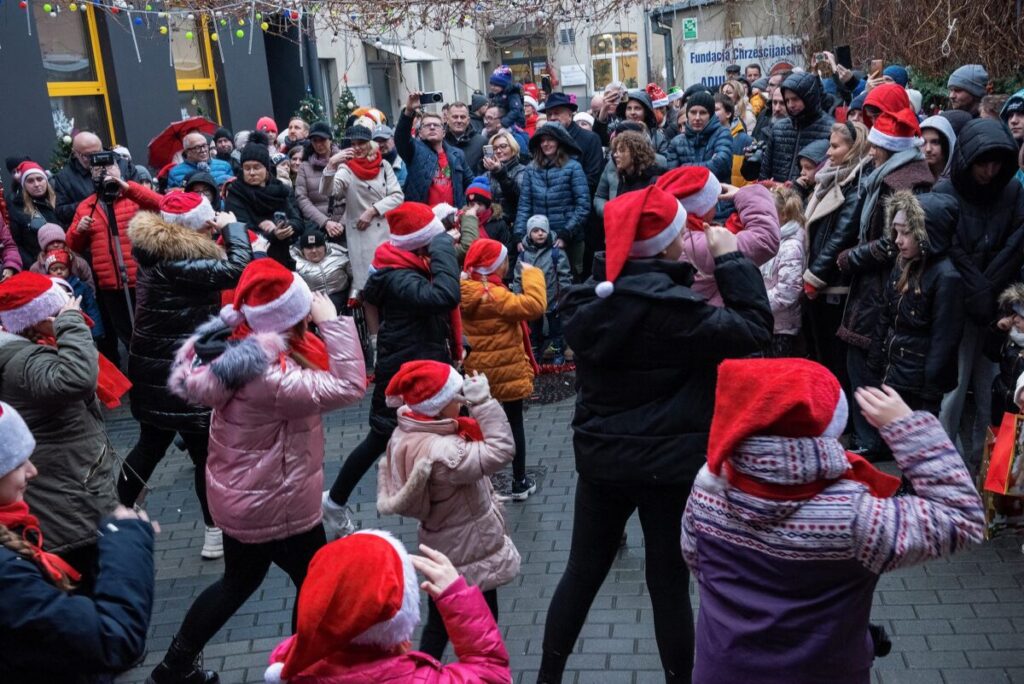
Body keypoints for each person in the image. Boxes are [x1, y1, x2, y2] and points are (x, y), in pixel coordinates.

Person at [537, 182, 773, 684]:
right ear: (668, 244)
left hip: (602, 463)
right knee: (668, 584)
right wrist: (731, 261)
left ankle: (547, 677)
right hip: (670, 468)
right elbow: (754, 328)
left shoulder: (588, 303)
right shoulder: (678, 314)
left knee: (581, 573)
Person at [681, 360, 984, 684]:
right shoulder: (854, 516)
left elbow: (695, 558)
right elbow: (961, 518)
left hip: (724, 670)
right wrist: (909, 429)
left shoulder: (708, 490)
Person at [148, 258, 366, 684]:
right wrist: (334, 322)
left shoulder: (237, 347)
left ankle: (174, 666)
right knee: (315, 583)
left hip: (243, 496)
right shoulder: (271, 377)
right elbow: (349, 385)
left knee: (238, 581)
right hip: (274, 503)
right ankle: (299, 668)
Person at [119, 193, 252, 560]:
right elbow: (238, 269)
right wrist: (233, 228)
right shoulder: (180, 260)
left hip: (154, 365)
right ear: (199, 225)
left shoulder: (154, 252)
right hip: (182, 368)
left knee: (151, 445)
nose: (214, 225)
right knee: (201, 451)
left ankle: (118, 515)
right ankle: (213, 531)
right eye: (209, 220)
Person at [323, 203, 461, 539]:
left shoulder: (397, 261)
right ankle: (335, 501)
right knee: (383, 435)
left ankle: (448, 501)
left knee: (438, 430)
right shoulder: (399, 275)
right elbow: (445, 295)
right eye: (433, 241)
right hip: (404, 366)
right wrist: (444, 248)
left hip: (419, 356)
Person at [0, 401, 156, 683]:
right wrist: (127, 540)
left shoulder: (15, 538)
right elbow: (112, 639)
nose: (32, 471)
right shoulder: (7, 575)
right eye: (17, 462)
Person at [377, 362, 520, 658]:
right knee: (484, 624)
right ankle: (484, 674)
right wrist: (483, 402)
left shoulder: (407, 432)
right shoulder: (445, 452)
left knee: (439, 625)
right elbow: (502, 450)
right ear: (439, 407)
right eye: (458, 397)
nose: (463, 402)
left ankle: (421, 673)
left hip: (441, 542)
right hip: (470, 550)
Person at [0, 273, 122, 591]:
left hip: (66, 489)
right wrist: (69, 322)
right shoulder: (23, 360)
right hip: (70, 500)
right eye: (53, 311)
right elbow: (77, 377)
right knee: (95, 590)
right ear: (37, 319)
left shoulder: (22, 353)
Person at [262, 532, 511, 682]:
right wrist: (457, 597)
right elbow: (491, 674)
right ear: (402, 611)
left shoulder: (295, 671)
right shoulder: (419, 679)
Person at [837, 90, 934, 459]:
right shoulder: (892, 174)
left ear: (888, 147)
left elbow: (892, 243)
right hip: (877, 285)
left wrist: (850, 257)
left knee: (865, 363)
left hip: (884, 286)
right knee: (863, 360)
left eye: (877, 146)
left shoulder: (901, 182)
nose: (871, 151)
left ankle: (873, 440)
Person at [935, 118, 1024, 464]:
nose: (990, 170)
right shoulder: (946, 194)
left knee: (993, 389)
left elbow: (1015, 243)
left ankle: (985, 464)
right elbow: (950, 247)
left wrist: (991, 293)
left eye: (996, 162)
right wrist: (980, 289)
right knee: (954, 390)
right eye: (982, 162)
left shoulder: (1012, 191)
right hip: (960, 305)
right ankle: (946, 464)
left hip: (998, 307)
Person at [459, 240, 546, 499]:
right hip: (506, 373)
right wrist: (531, 273)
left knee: (479, 425)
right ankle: (519, 481)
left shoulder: (464, 290)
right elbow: (534, 305)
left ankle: (478, 482)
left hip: (478, 373)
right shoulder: (495, 295)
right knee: (514, 423)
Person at [866, 192, 964, 413]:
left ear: (927, 234)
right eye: (896, 232)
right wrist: (875, 359)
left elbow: (945, 338)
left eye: (906, 233)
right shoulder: (903, 263)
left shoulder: (946, 277)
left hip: (919, 382)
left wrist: (931, 389)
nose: (898, 240)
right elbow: (886, 313)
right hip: (894, 371)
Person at [67, 167, 163, 360]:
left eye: (109, 167)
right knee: (126, 334)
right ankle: (137, 370)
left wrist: (127, 187)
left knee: (151, 330)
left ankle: (153, 366)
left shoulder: (133, 197)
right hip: (110, 284)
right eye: (97, 170)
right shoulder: (87, 206)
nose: (103, 173)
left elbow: (160, 204)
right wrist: (79, 230)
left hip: (140, 279)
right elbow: (72, 246)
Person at [322, 123, 405, 343]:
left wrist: (373, 210)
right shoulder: (345, 168)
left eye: (361, 143)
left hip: (385, 234)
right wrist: (331, 165)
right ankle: (376, 343)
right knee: (369, 293)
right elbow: (330, 191)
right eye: (353, 144)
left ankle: (397, 336)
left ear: (370, 144)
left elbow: (397, 196)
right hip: (361, 239)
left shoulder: (384, 165)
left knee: (391, 288)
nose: (357, 148)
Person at [802, 121, 871, 379]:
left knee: (832, 356)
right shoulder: (833, 176)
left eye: (835, 146)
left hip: (832, 284)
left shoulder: (856, 184)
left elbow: (841, 235)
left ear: (853, 148)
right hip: (821, 278)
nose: (828, 153)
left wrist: (814, 275)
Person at [660, 166, 781, 307]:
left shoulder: (672, 235)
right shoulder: (692, 243)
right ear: (701, 208)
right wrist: (745, 194)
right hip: (713, 323)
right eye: (713, 203)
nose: (717, 207)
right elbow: (765, 239)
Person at [224, 131, 304, 270]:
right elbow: (242, 232)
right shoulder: (236, 194)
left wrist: (286, 227)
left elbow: (298, 221)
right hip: (252, 264)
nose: (252, 172)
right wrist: (273, 234)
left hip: (282, 259)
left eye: (257, 167)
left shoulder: (279, 190)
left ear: (267, 169)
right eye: (247, 168)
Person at [514, 123, 591, 265]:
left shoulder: (573, 167)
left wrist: (566, 234)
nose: (545, 144)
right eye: (542, 140)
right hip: (538, 239)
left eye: (550, 139)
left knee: (570, 282)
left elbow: (583, 206)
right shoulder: (531, 169)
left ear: (560, 142)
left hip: (569, 239)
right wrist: (519, 235)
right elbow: (524, 205)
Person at [396, 92, 473, 208]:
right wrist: (408, 111)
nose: (432, 127)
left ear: (443, 132)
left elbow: (470, 182)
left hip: (453, 219)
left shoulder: (457, 154)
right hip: (425, 220)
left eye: (436, 125)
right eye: (427, 125)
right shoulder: (413, 150)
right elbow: (401, 137)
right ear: (420, 133)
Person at [52, 131, 144, 225]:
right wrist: (89, 203)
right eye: (87, 155)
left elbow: (141, 195)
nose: (93, 159)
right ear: (75, 153)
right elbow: (61, 213)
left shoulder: (123, 164)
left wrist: (119, 187)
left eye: (97, 153)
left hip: (126, 225)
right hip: (93, 230)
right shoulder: (65, 177)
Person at [514, 215, 571, 364]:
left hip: (553, 299)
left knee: (556, 329)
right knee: (534, 330)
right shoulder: (524, 254)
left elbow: (564, 275)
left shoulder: (556, 252)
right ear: (529, 233)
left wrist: (564, 296)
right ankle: (535, 354)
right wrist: (517, 297)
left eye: (543, 230)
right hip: (532, 299)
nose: (540, 233)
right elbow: (518, 277)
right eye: (535, 231)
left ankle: (558, 352)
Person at [759, 72, 835, 182]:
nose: (790, 105)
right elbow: (765, 172)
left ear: (809, 98)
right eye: (787, 100)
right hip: (778, 196)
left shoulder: (831, 129)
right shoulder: (778, 128)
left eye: (795, 99)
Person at [760, 185, 806, 357]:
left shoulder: (790, 247)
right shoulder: (771, 240)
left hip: (781, 329)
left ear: (784, 215)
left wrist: (757, 302)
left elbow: (787, 293)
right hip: (769, 323)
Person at [538, 93, 605, 192]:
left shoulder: (590, 139)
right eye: (549, 114)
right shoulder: (544, 142)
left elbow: (593, 178)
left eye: (557, 113)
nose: (552, 118)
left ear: (570, 115)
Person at [667, 91, 733, 181]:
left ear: (711, 115)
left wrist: (684, 167)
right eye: (693, 112)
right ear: (687, 114)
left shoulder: (722, 134)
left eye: (703, 113)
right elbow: (672, 176)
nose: (697, 118)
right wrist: (709, 164)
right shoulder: (676, 142)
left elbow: (720, 164)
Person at [594, 130, 661, 218]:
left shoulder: (654, 180)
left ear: (635, 153)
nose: (615, 155)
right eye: (615, 151)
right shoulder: (624, 177)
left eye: (621, 150)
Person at [294, 121, 343, 237]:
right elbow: (302, 199)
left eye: (322, 140)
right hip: (318, 228)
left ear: (330, 140)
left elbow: (353, 195)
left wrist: (342, 224)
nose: (319, 144)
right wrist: (325, 222)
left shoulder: (344, 161)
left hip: (345, 226)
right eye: (315, 141)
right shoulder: (305, 167)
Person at [43, 250, 103, 341]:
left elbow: (92, 309)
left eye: (62, 268)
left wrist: (96, 331)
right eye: (54, 269)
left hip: (84, 329)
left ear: (69, 269)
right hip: (60, 333)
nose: (59, 272)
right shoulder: (47, 290)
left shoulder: (81, 286)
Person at [8, 161, 59, 265]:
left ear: (46, 180)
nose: (36, 184)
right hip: (38, 266)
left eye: (40, 179)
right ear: (24, 185)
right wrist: (33, 265)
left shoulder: (60, 201)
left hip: (65, 261)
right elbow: (16, 245)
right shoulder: (17, 209)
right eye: (30, 181)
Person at [291, 228, 351, 311]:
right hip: (311, 303)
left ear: (325, 247)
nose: (314, 250)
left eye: (318, 246)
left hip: (341, 298)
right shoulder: (293, 262)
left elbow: (356, 278)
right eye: (309, 247)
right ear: (302, 251)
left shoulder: (339, 254)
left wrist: (354, 295)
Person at [989, 284, 1024, 424]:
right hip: (1001, 404)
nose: (1015, 319)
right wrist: (998, 331)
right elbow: (991, 354)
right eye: (1014, 314)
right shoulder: (1011, 336)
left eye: (1022, 316)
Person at [482, 130, 526, 230]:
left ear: (513, 148)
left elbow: (518, 198)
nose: (498, 151)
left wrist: (500, 173)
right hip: (490, 226)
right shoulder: (487, 174)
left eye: (503, 146)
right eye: (495, 148)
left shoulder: (522, 171)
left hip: (512, 226)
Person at [28, 223, 94, 289]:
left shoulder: (78, 262)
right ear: (44, 246)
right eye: (51, 243)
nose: (56, 245)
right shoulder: (36, 268)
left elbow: (89, 284)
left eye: (59, 241)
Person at [167, 131, 234, 189]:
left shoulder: (224, 166)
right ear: (187, 152)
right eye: (197, 147)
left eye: (205, 145)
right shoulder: (175, 173)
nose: (203, 150)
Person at [715, 94, 753, 186]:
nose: (712, 113)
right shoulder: (708, 138)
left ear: (728, 113)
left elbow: (751, 178)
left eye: (716, 110)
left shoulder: (745, 140)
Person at [445, 102, 487, 174]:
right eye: (455, 117)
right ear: (447, 119)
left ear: (468, 120)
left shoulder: (482, 142)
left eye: (462, 117)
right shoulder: (439, 141)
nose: (459, 120)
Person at [487, 65, 526, 129]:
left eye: (496, 85)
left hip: (515, 124)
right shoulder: (497, 95)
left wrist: (503, 123)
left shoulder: (512, 94)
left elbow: (516, 110)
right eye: (492, 84)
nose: (493, 87)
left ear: (503, 85)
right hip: (503, 122)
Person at [920, 115, 958, 181]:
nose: (928, 149)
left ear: (947, 144)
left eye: (935, 142)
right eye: (923, 142)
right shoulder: (911, 177)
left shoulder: (959, 181)